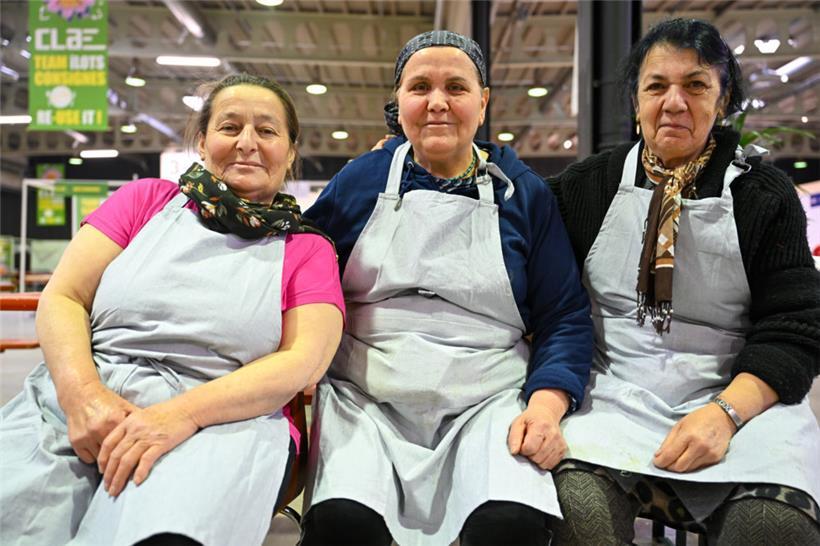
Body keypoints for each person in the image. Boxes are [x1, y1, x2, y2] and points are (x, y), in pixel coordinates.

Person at [0, 73, 344, 546]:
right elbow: (65, 297)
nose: (247, 143)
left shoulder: (308, 249)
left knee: (163, 537)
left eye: (266, 131)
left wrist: (179, 416)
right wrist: (82, 398)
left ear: (289, 151)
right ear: (202, 142)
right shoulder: (143, 202)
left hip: (222, 423)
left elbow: (302, 362)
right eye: (229, 127)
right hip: (82, 404)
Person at [299, 30, 593, 546]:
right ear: (400, 103)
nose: (437, 103)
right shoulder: (360, 180)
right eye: (420, 88)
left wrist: (545, 408)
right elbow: (300, 272)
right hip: (366, 401)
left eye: (456, 87)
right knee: (344, 524)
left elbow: (564, 316)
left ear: (483, 103)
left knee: (508, 525)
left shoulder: (522, 193)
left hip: (486, 401)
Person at [547, 18, 820, 545]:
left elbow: (796, 327)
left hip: (738, 400)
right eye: (656, 86)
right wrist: (412, 155)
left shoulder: (764, 196)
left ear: (722, 102)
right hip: (611, 400)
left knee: (773, 528)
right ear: (636, 102)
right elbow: (512, 215)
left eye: (695, 86)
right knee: (572, 509)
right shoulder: (589, 185)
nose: (674, 102)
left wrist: (724, 414)